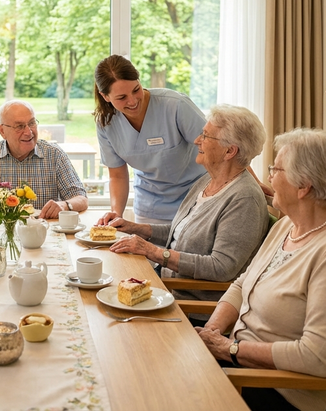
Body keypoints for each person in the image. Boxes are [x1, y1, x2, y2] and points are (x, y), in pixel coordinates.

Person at [196, 129, 326, 411]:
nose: (269, 176)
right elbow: (242, 284)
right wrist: (212, 332)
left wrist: (229, 349)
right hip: (244, 368)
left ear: (303, 185)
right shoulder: (287, 226)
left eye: (276, 169)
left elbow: (319, 357)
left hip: (292, 395)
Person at [107, 105, 269, 324]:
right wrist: (135, 228)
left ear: (229, 151)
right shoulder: (207, 181)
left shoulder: (244, 199)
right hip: (166, 287)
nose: (196, 141)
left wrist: (154, 252)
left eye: (205, 136)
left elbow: (221, 267)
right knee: (106, 280)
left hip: (191, 304)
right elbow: (181, 232)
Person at [93, 55, 207, 224]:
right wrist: (116, 213)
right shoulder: (106, 123)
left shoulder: (175, 106)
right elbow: (117, 176)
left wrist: (253, 186)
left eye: (136, 89)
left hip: (196, 199)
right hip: (151, 206)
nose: (132, 101)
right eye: (122, 97)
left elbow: (220, 148)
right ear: (105, 97)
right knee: (147, 250)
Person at [0, 100, 88, 219]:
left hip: (43, 233)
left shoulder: (54, 155)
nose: (29, 132)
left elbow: (81, 198)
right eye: (20, 126)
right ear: (2, 131)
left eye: (32, 123)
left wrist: (64, 205)